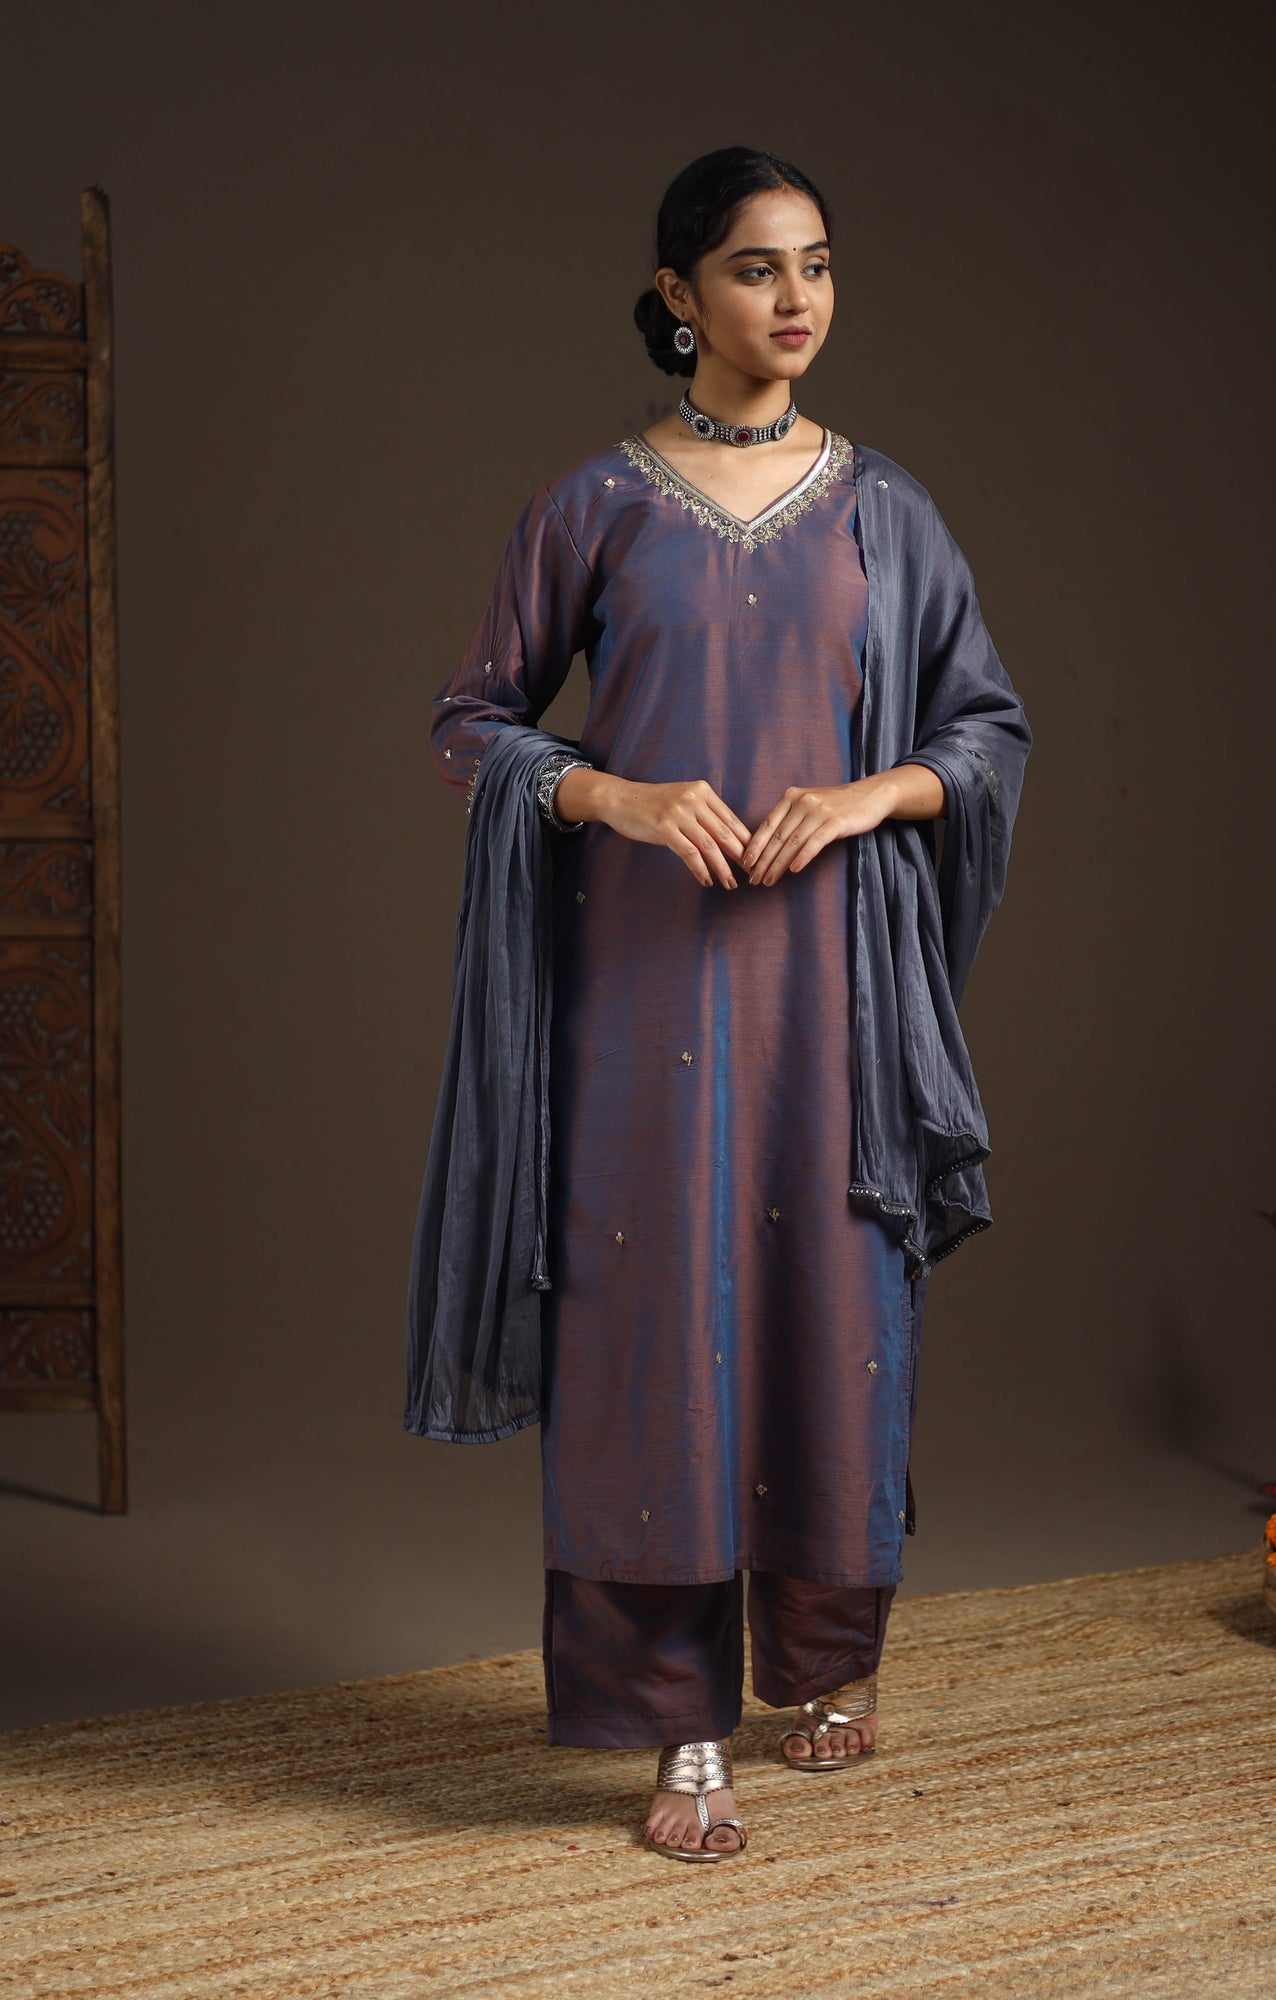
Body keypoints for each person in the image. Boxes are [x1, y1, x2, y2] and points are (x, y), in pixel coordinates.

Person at [405, 145, 1031, 1860]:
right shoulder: (592, 506)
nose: (798, 298)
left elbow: (984, 729)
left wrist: (868, 795)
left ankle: (825, 1659)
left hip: (831, 989)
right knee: (650, 1328)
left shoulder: (887, 508)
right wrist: (608, 792)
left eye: (818, 264)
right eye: (758, 268)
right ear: (679, 295)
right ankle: (677, 1727)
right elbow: (470, 722)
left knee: (835, 1305)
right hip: (641, 988)